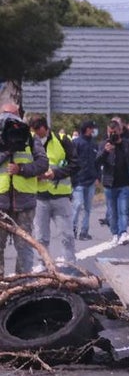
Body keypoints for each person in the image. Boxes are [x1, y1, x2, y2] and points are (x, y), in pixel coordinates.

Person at [0, 103, 48, 275]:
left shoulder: (30, 138)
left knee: (24, 247)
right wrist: (7, 150)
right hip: (1, 203)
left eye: (12, 116)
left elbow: (43, 164)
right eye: (5, 115)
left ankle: (23, 284)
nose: (9, 120)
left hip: (25, 203)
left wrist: (21, 169)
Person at [30, 115, 79, 268]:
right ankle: (43, 264)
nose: (37, 135)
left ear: (45, 127)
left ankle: (70, 264)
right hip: (39, 197)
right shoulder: (29, 142)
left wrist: (55, 174)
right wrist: (34, 174)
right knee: (41, 237)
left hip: (60, 196)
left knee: (67, 234)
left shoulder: (62, 140)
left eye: (39, 131)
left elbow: (76, 164)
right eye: (34, 132)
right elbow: (25, 165)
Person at [95, 117, 129, 245]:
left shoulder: (127, 144)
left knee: (123, 210)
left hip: (125, 183)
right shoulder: (104, 145)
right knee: (112, 211)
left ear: (120, 131)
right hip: (110, 184)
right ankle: (115, 234)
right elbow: (97, 162)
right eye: (110, 132)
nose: (112, 135)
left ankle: (123, 233)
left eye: (115, 132)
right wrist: (105, 152)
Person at [71, 120, 99, 240]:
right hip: (79, 181)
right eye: (92, 128)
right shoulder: (76, 143)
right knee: (77, 205)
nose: (94, 131)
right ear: (87, 129)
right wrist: (72, 178)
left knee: (88, 208)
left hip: (91, 181)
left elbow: (97, 162)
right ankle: (72, 229)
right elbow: (71, 162)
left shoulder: (94, 144)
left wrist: (98, 176)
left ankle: (84, 231)